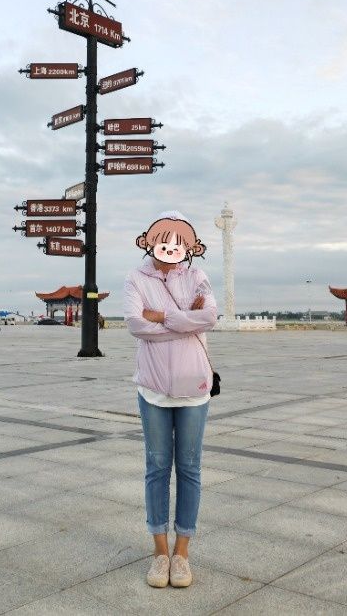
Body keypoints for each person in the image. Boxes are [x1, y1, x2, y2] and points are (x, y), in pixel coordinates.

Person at [123, 210, 218, 589]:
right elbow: (135, 324)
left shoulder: (197, 277)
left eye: (179, 242)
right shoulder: (136, 278)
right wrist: (183, 321)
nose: (171, 248)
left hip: (194, 388)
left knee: (190, 468)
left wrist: (162, 317)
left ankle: (182, 553)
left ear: (190, 246)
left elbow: (210, 316)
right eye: (164, 240)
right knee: (157, 467)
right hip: (153, 388)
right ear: (148, 241)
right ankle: (160, 552)